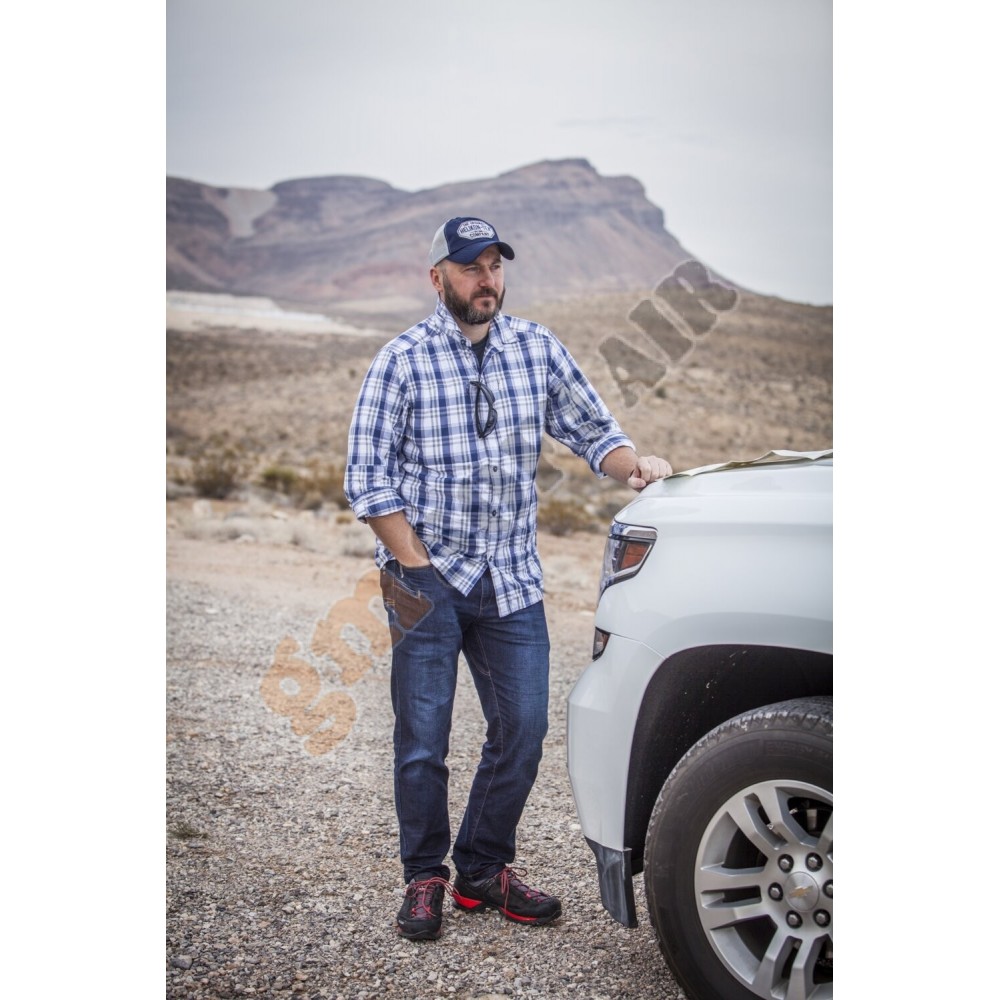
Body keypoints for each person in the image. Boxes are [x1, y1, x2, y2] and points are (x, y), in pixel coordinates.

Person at [344, 216, 672, 941]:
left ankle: (482, 869)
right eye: (470, 267)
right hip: (423, 580)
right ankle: (424, 876)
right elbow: (367, 479)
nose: (486, 279)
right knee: (423, 739)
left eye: (494, 265)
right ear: (438, 278)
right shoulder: (401, 361)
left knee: (523, 727)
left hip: (512, 579)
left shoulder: (536, 348)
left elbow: (594, 430)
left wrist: (637, 467)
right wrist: (416, 566)